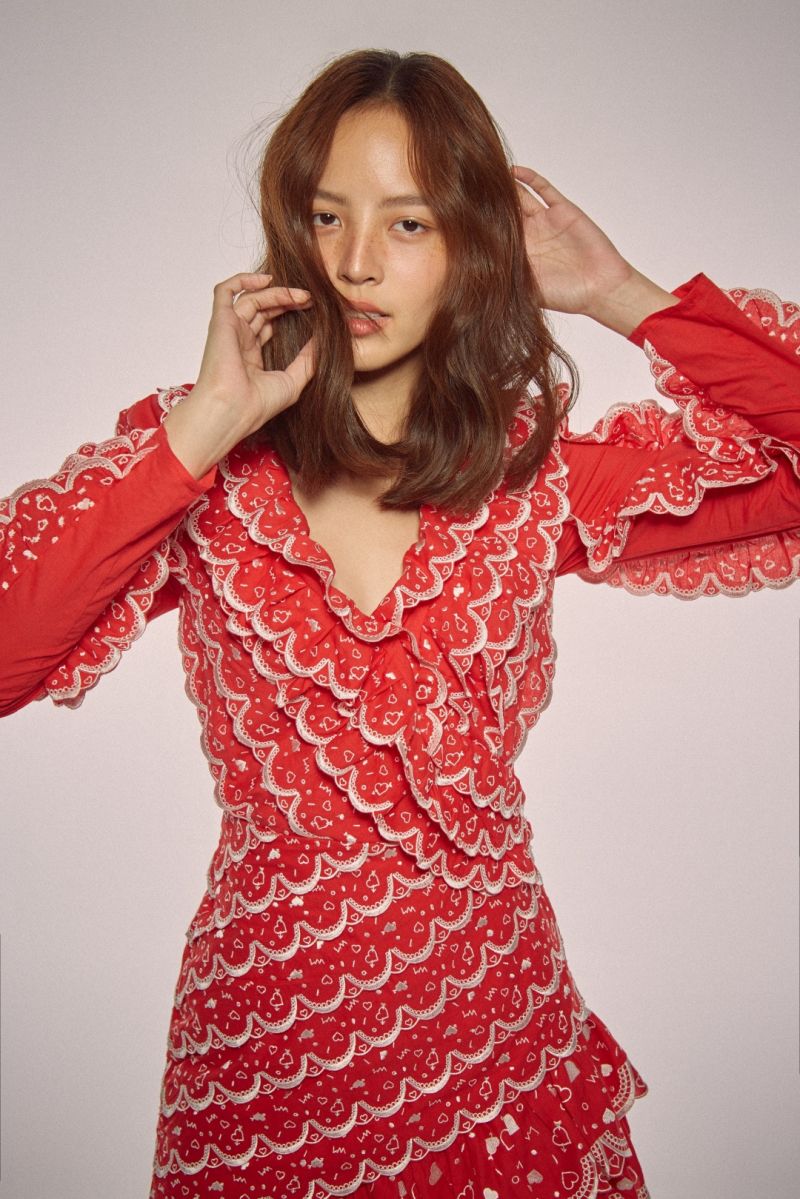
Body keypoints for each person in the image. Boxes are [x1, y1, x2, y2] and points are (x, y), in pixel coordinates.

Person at [1, 46, 798, 1199]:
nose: (356, 263)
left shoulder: (536, 477)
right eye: (325, 216)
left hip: (497, 1037)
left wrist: (618, 292)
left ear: (469, 244)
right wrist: (209, 420)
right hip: (267, 1054)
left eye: (408, 223)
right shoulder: (205, 465)